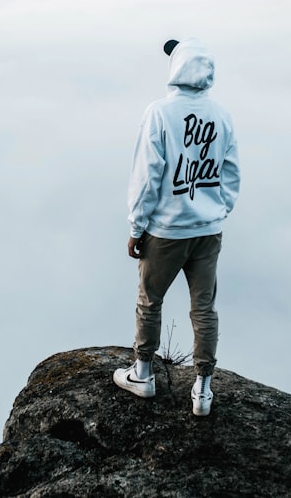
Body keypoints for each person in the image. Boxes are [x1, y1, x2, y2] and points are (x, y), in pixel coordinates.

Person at [113, 37, 240, 417]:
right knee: (204, 308)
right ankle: (202, 389)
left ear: (176, 68)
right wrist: (216, 210)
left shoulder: (159, 113)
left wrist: (137, 226)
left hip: (167, 231)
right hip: (208, 230)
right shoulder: (222, 116)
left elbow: (147, 176)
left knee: (150, 301)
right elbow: (231, 174)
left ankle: (144, 373)